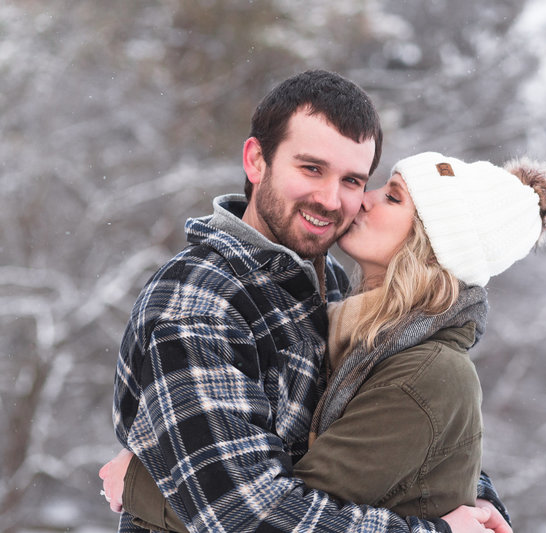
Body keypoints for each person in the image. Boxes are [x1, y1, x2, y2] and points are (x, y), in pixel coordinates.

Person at [102, 70, 512, 533]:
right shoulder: (198, 304)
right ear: (257, 161)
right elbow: (244, 518)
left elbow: (383, 427)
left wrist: (475, 495)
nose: (331, 200)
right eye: (311, 169)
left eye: (353, 180)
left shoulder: (329, 286)